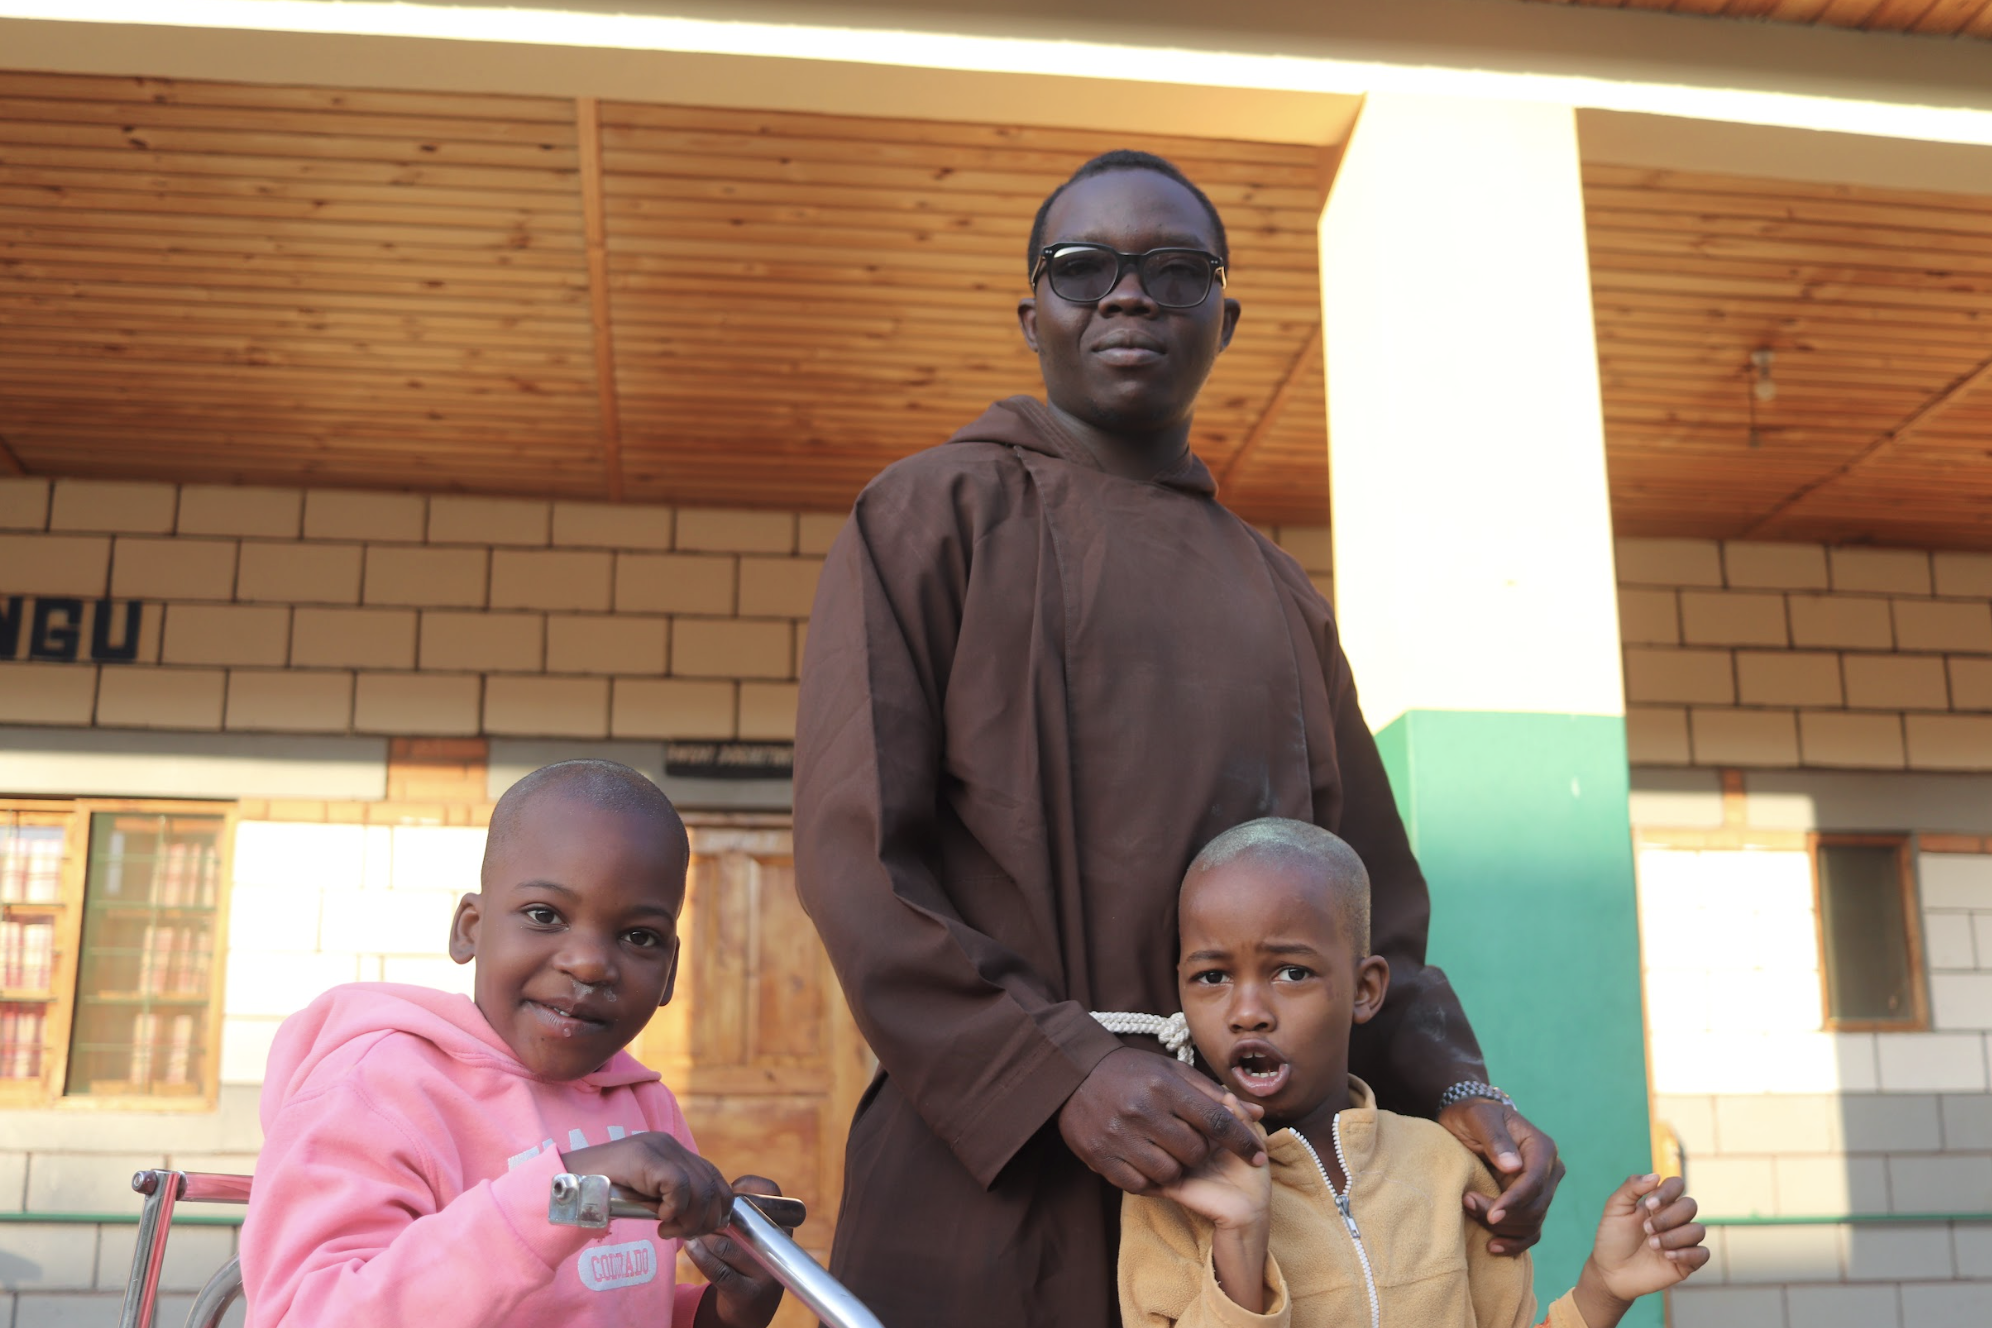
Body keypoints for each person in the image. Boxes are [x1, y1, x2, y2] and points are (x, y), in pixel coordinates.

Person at [794, 149, 1564, 1328]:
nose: (1128, 294)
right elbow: (861, 860)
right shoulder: (925, 516)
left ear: (1224, 314)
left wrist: (1458, 1085)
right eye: (1083, 266)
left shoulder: (1278, 594)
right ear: (1032, 312)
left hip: (1251, 1190)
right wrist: (1066, 1072)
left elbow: (1369, 911)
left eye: (1175, 269)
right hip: (988, 1173)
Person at [241, 760, 790, 1328]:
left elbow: (612, 1307)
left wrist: (723, 1313)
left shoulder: (645, 1111)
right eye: (544, 915)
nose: (589, 962)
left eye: (639, 936)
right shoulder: (375, 1089)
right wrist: (565, 1195)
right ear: (470, 929)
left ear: (670, 972)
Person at [1118, 818, 1707, 1326]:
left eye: (1292, 973)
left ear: (1365, 990)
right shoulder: (1175, 1191)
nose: (1247, 1012)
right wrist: (1241, 1239)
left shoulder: (1445, 1169)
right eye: (1212, 977)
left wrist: (1603, 1290)